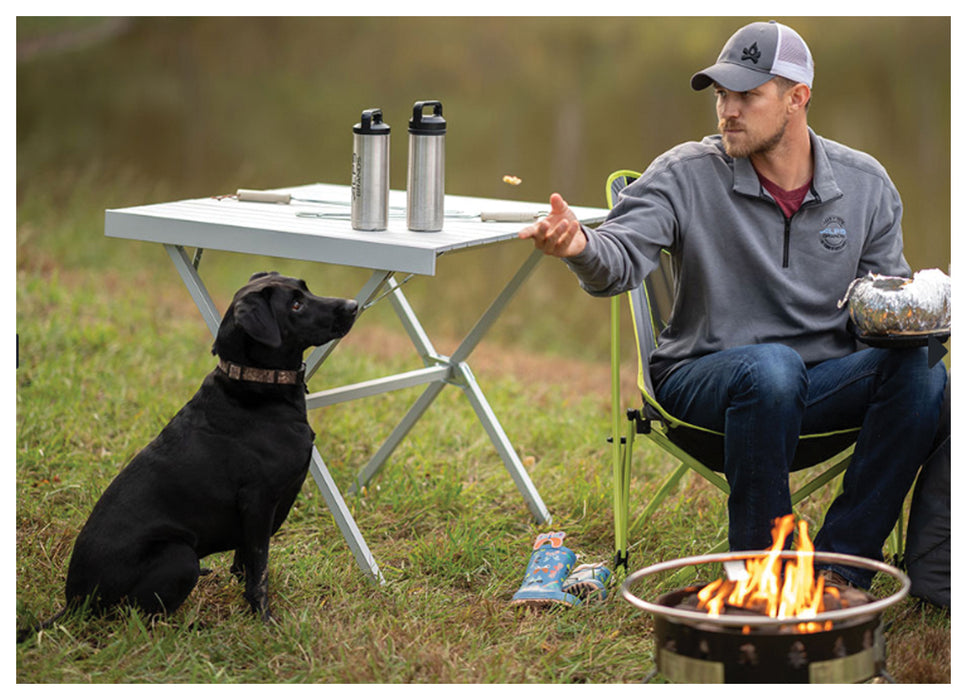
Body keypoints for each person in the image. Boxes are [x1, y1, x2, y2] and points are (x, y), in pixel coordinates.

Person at [519, 20, 949, 589]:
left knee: (922, 371)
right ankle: (762, 580)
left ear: (797, 99)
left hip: (820, 392)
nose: (728, 110)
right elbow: (617, 258)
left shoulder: (866, 185)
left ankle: (840, 573)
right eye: (722, 93)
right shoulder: (684, 174)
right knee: (772, 368)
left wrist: (919, 315)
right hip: (705, 390)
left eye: (747, 94)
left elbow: (881, 308)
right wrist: (579, 247)